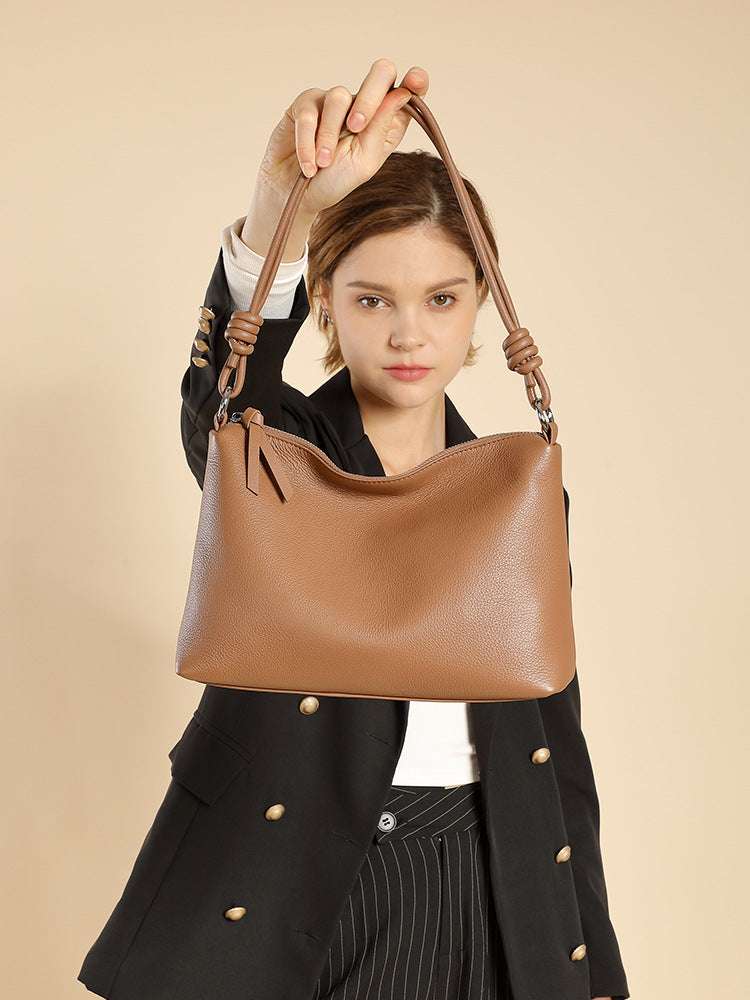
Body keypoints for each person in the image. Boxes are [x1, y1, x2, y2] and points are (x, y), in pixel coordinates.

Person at [77, 60, 630, 1000]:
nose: (410, 334)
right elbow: (223, 401)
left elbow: (554, 735)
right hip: (298, 872)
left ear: (481, 303)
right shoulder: (278, 455)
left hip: (493, 874)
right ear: (325, 297)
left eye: (442, 298)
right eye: (374, 299)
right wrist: (279, 207)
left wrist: (592, 962)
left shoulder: (518, 492)